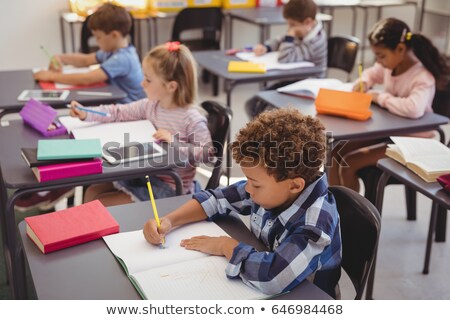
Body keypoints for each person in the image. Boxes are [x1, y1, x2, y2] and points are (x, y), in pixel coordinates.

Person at [143, 108, 342, 297]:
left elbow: (272, 278)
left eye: (254, 184)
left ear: (294, 186)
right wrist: (169, 220)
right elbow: (216, 199)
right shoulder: (273, 188)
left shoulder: (315, 223)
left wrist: (225, 246)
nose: (247, 189)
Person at [68, 42, 212, 206]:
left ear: (171, 86)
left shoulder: (191, 118)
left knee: (102, 204)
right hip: (144, 175)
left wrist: (174, 141)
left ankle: (101, 229)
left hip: (171, 188)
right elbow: (118, 112)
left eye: (148, 80)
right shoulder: (151, 105)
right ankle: (92, 230)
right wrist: (87, 113)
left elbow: (207, 154)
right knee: (92, 191)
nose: (142, 83)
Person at [329, 17, 450, 192]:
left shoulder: (423, 77)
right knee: (335, 152)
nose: (378, 61)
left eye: (381, 55)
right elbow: (372, 73)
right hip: (389, 132)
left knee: (350, 162)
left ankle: (353, 217)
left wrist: (379, 97)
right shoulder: (389, 65)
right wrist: (364, 81)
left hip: (411, 141)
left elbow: (413, 109)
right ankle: (335, 211)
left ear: (400, 49)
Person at [33, 3, 145, 103]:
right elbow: (86, 60)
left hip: (129, 109)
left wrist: (50, 76)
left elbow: (86, 78)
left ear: (114, 35)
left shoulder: (123, 58)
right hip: (116, 104)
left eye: (98, 37)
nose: (96, 41)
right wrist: (60, 58)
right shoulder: (111, 51)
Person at [245, 0, 327, 119]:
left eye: (292, 25)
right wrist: (266, 47)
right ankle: (260, 135)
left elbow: (285, 58)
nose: (289, 29)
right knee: (252, 104)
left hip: (308, 87)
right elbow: (280, 40)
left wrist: (290, 36)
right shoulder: (303, 29)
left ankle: (265, 135)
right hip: (294, 82)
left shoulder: (316, 40)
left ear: (308, 22)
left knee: (266, 111)